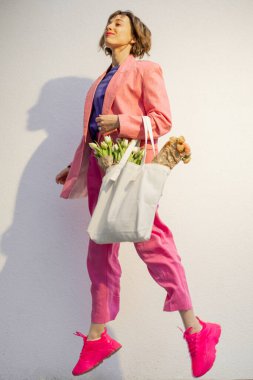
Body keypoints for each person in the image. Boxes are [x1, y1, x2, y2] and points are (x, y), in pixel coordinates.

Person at [55, 10, 221, 378]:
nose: (110, 26)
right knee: (98, 250)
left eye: (119, 22)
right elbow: (93, 133)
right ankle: (98, 336)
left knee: (153, 244)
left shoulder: (146, 70)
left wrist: (124, 123)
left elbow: (162, 119)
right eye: (108, 22)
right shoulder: (101, 79)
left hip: (131, 170)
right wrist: (77, 164)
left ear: (134, 36)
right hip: (102, 169)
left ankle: (196, 328)